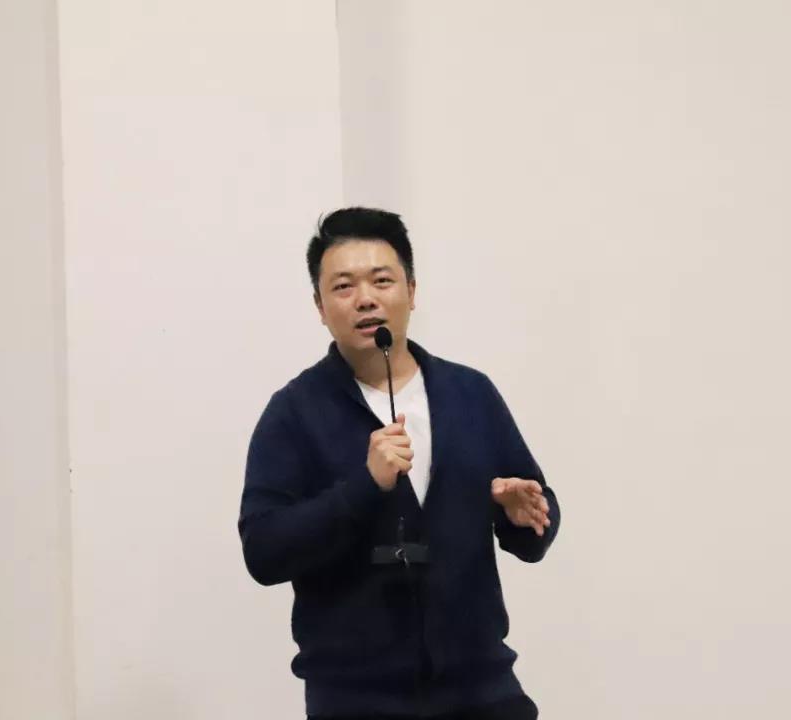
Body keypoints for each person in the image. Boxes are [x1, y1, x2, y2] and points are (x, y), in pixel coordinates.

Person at [238, 207, 560, 720]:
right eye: (343, 287)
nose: (365, 298)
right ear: (320, 306)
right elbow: (264, 551)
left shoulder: (470, 394)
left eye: (382, 280)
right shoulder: (294, 412)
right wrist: (364, 485)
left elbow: (536, 523)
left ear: (411, 291)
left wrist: (522, 515)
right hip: (357, 700)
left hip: (482, 692)